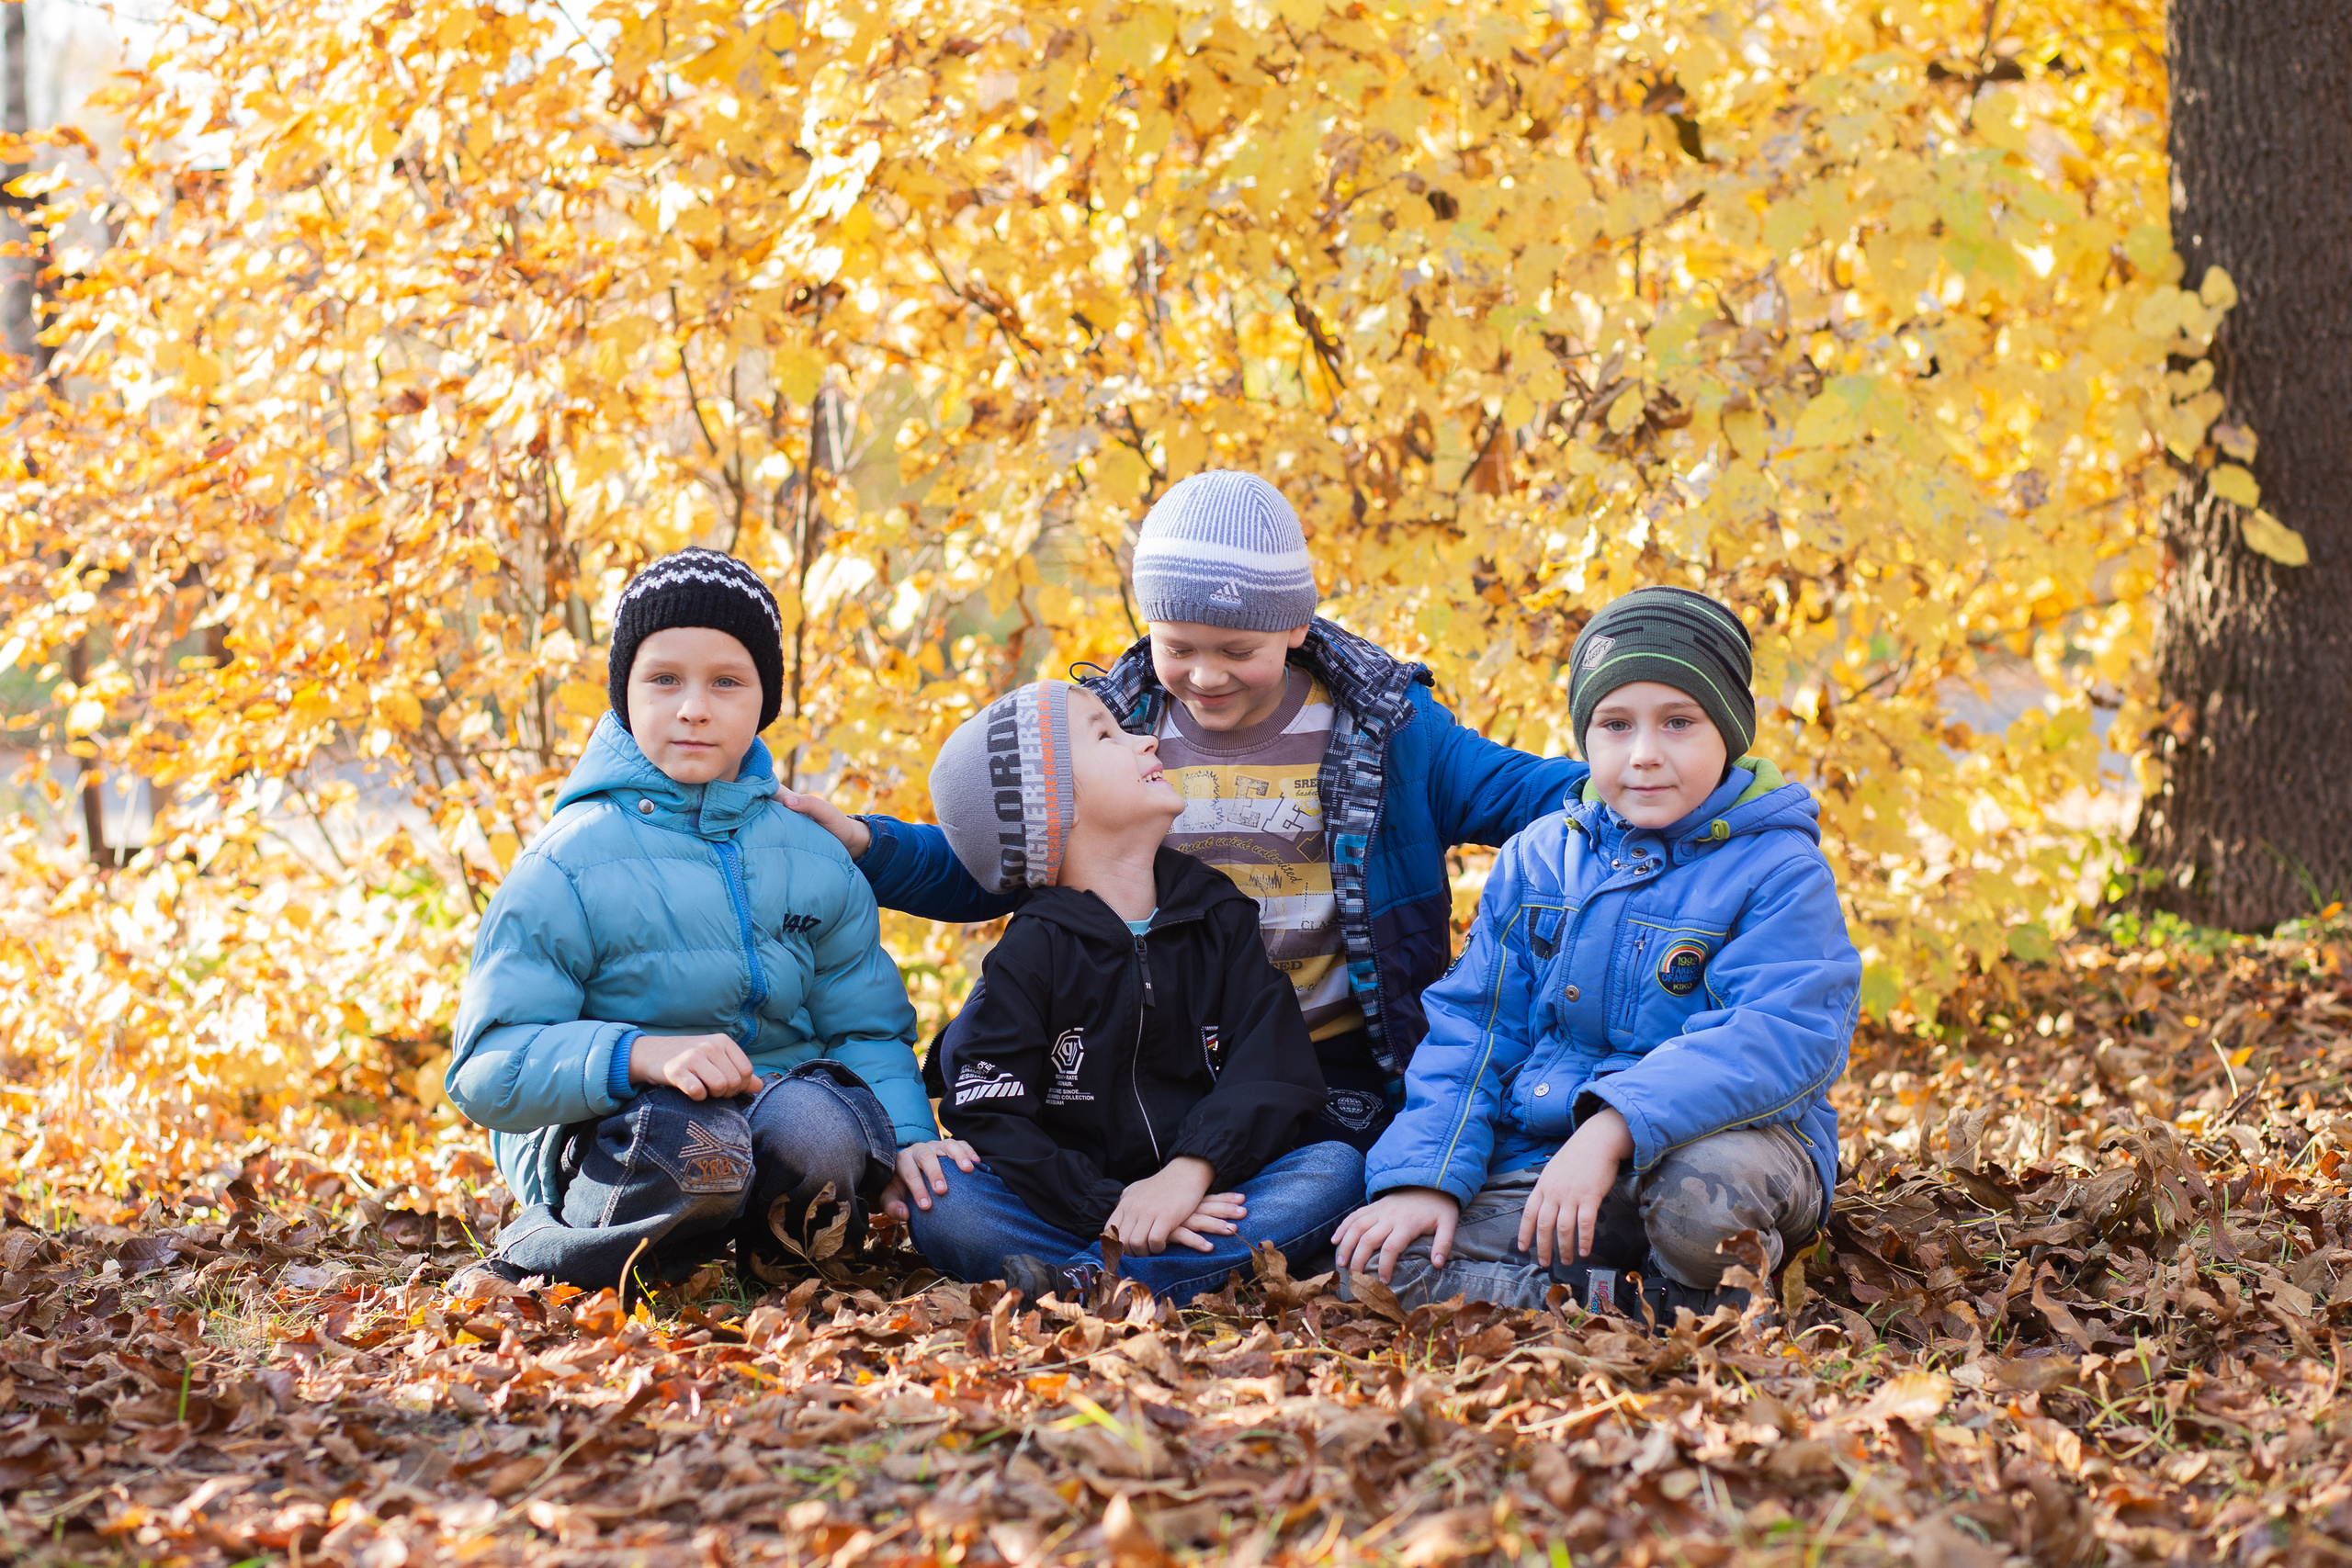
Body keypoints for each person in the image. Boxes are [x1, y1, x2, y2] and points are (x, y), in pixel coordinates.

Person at [782, 470, 1590, 1155]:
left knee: (1344, 1175)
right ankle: (1138, 1228)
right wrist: (866, 843)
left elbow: (1522, 791)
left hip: (1333, 1053)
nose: (1204, 675)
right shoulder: (1119, 728)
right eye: (1178, 646)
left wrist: (1646, 781)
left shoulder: (1387, 732)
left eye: (1237, 651)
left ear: (1295, 626)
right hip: (1159, 1057)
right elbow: (993, 863)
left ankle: (1229, 1217)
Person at [445, 547, 970, 1293]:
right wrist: (639, 1055)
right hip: (618, 1127)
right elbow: (487, 1067)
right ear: (624, 693)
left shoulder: (812, 855)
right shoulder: (569, 861)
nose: (693, 706)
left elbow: (865, 1027)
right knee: (697, 1142)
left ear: (766, 699)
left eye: (727, 681)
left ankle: (777, 1267)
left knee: (819, 1128)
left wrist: (910, 1139)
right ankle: (558, 1252)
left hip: (772, 1104)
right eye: (664, 679)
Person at [1332, 586, 1860, 1322]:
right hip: (1551, 1160)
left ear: (1730, 730)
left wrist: (1614, 1125)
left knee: (1700, 1208)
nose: (1644, 754)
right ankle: (1626, 1305)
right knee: (1390, 1263)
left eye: (1679, 722)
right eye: (1615, 724)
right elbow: (1477, 1029)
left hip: (1726, 1149)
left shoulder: (1775, 867)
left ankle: (1676, 1287)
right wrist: (1426, 1176)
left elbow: (1780, 1032)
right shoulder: (1539, 860)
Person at [899, 678, 1364, 1303]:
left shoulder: (1217, 916)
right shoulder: (1031, 954)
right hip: (1072, 1205)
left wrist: (1186, 1174)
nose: (1146, 740)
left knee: (1335, 1168)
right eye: (1105, 735)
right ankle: (1132, 1268)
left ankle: (1087, 1280)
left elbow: (1273, 1066)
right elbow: (990, 1110)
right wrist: (1111, 1207)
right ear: (1053, 807)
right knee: (949, 1204)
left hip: (1212, 1186)